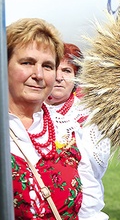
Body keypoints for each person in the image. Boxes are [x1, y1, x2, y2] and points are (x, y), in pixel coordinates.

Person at [8, 18, 105, 219]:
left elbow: (90, 211)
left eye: (48, 66)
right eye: (27, 62)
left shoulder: (67, 128)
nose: (38, 74)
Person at [45, 43, 110, 218]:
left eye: (67, 70)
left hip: (82, 209)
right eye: (53, 68)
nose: (59, 77)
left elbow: (96, 169)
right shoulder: (30, 112)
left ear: (76, 78)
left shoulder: (89, 116)